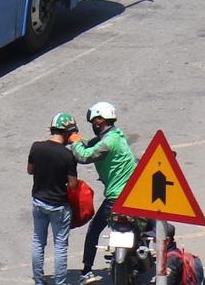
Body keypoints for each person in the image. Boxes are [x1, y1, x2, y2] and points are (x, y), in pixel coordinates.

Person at [71, 101, 136, 280]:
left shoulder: (107, 142)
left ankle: (86, 270)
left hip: (116, 198)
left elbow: (84, 156)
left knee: (94, 230)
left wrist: (75, 142)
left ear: (99, 120)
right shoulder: (116, 135)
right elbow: (88, 145)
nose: (93, 125)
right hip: (134, 194)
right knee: (151, 225)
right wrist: (74, 138)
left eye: (94, 121)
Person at [29, 112, 82, 285]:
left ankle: (39, 281)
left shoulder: (36, 147)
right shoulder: (67, 155)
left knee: (38, 242)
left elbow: (31, 170)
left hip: (38, 202)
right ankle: (60, 283)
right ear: (68, 132)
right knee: (60, 247)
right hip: (58, 206)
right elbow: (73, 185)